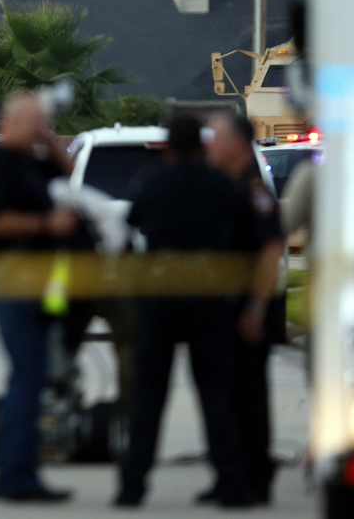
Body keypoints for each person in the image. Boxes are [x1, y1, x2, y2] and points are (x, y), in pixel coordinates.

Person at [116, 114, 252, 508]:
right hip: (207, 297)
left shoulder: (153, 181)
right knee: (214, 394)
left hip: (160, 297)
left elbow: (131, 222)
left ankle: (133, 485)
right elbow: (240, 232)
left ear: (169, 147)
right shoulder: (221, 185)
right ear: (202, 145)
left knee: (149, 396)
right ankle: (230, 481)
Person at [0, 94, 76, 503]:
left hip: (39, 283)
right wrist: (45, 223)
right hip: (11, 282)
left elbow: (71, 175)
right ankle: (15, 476)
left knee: (33, 376)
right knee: (28, 376)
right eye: (35, 122)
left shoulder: (31, 163)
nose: (41, 129)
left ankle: (18, 470)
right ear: (14, 122)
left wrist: (50, 140)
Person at [204, 111, 285, 504]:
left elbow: (271, 250)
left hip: (248, 309)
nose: (210, 146)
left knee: (248, 395)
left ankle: (254, 478)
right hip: (225, 307)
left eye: (216, 138)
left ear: (236, 144)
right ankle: (230, 476)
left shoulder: (254, 192)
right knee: (229, 396)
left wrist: (255, 307)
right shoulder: (227, 187)